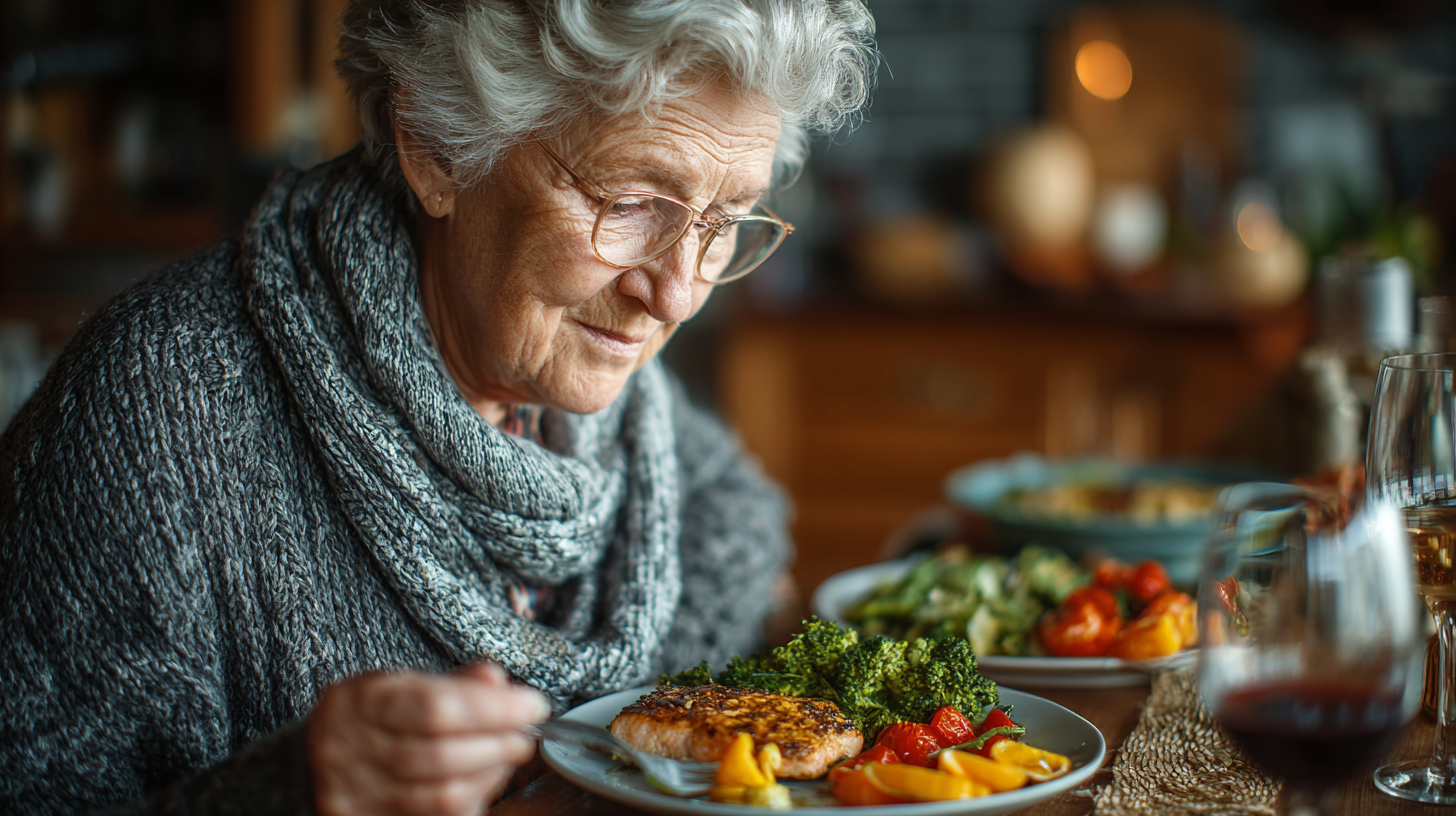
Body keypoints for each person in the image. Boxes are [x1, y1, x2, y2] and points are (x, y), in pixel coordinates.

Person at [0, 1, 878, 814]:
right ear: (437, 149)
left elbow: (736, 526)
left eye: (723, 219)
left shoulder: (611, 399)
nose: (679, 294)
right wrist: (288, 791)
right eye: (633, 202)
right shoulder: (152, 412)